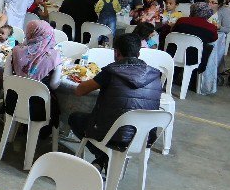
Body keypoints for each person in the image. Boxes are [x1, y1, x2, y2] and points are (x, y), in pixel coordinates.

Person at [69, 33, 162, 172]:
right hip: (143, 137)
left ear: (116, 52)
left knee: (75, 118)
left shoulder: (111, 72)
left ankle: (103, 156)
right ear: (138, 53)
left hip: (112, 135)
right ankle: (104, 159)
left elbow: (79, 91)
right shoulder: (155, 75)